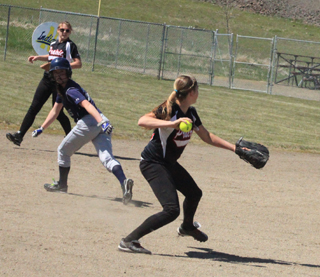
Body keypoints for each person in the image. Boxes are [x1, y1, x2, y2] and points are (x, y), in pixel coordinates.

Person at [118, 74, 236, 254]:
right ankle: (129, 240)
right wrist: (173, 124)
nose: (198, 93)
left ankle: (187, 227)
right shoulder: (169, 109)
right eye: (197, 90)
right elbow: (142, 121)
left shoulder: (191, 113)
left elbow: (207, 136)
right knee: (171, 210)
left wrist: (235, 148)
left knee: (194, 193)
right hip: (152, 163)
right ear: (191, 92)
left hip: (168, 163)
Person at [31, 57, 134, 205]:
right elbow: (55, 110)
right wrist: (42, 128)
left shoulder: (70, 90)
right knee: (107, 158)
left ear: (68, 73)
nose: (59, 75)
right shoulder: (63, 89)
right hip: (98, 122)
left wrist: (102, 122)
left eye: (62, 72)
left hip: (90, 121)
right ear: (52, 75)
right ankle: (124, 182)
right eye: (56, 73)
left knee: (63, 151)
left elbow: (86, 105)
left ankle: (62, 185)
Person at [6, 21, 82, 147]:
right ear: (58, 30)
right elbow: (51, 56)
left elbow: (78, 64)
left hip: (60, 82)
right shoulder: (53, 43)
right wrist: (38, 57)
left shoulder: (70, 46)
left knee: (58, 113)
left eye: (67, 30)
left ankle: (71, 139)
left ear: (70, 32)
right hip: (47, 79)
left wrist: (63, 66)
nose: (64, 32)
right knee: (34, 107)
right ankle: (19, 135)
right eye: (62, 30)